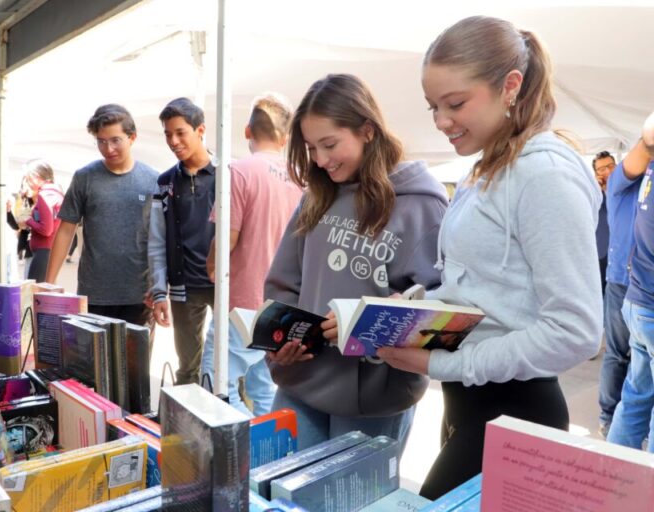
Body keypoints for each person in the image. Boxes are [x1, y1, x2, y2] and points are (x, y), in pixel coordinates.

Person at [377, 16, 603, 499]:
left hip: (515, 409)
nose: (440, 121)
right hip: (472, 408)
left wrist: (442, 366)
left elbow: (576, 331)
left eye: (455, 103)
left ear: (511, 86)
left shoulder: (544, 172)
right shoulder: (492, 166)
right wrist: (417, 306)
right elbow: (485, 287)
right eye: (434, 106)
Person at [263, 74, 448, 458]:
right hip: (300, 380)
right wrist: (279, 339)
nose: (320, 160)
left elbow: (438, 313)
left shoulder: (422, 204)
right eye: (312, 147)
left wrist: (367, 321)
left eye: (330, 144)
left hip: (377, 398)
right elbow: (284, 283)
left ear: (367, 130)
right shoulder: (316, 195)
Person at [200, 92, 302, 416]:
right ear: (286, 138)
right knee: (264, 386)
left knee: (216, 385)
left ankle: (238, 457)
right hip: (283, 305)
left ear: (247, 131)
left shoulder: (238, 171)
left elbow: (226, 238)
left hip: (241, 303)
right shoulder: (302, 179)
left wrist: (212, 264)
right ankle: (267, 456)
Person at [44, 104, 159, 327]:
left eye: (116, 140)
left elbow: (160, 238)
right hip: (94, 293)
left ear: (132, 137)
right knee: (93, 360)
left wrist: (161, 288)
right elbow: (66, 230)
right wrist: (49, 283)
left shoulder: (153, 180)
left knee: (136, 361)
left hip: (140, 295)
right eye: (101, 141)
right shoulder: (85, 177)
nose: (108, 148)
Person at [148, 98, 216, 385]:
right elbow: (156, 240)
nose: (173, 141)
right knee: (187, 367)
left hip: (226, 285)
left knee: (230, 365)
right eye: (167, 134)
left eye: (180, 132)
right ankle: (185, 428)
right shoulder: (164, 182)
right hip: (183, 286)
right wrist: (159, 291)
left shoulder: (230, 175)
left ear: (200, 130)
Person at [607, 110, 654, 452]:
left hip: (637, 301)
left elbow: (646, 143)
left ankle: (613, 474)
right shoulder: (631, 183)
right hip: (641, 300)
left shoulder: (646, 178)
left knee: (636, 396)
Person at [597, 142, 649, 438]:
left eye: (608, 166)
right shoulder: (619, 187)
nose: (606, 172)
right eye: (601, 169)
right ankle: (607, 417)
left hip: (640, 285)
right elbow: (644, 148)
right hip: (621, 282)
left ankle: (624, 425)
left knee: (637, 364)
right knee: (619, 355)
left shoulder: (646, 187)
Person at [18, 159, 63, 283]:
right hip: (46, 250)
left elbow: (46, 229)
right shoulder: (54, 192)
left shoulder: (46, 195)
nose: (28, 183)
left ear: (36, 177)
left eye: (28, 179)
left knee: (34, 294)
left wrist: (28, 220)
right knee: (41, 292)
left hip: (44, 251)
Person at [593, 151, 614, 295]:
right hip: (602, 252)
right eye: (601, 169)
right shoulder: (593, 192)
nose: (607, 171)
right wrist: (596, 188)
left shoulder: (627, 188)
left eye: (611, 166)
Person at [6, 176, 34, 279]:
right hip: (28, 248)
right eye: (23, 185)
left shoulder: (41, 200)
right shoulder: (24, 201)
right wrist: (8, 212)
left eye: (27, 184)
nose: (24, 188)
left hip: (39, 250)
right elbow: (18, 226)